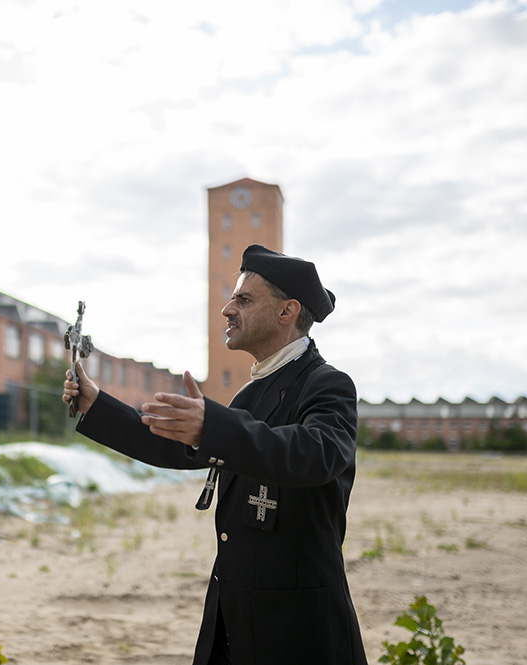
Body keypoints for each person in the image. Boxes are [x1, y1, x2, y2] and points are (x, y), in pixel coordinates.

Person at [62, 244, 367, 665]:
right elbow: (176, 445)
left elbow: (317, 455)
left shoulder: (328, 384)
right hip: (234, 619)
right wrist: (96, 404)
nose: (227, 309)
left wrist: (215, 427)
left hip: (297, 626)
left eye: (244, 299)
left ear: (287, 311)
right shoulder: (251, 393)